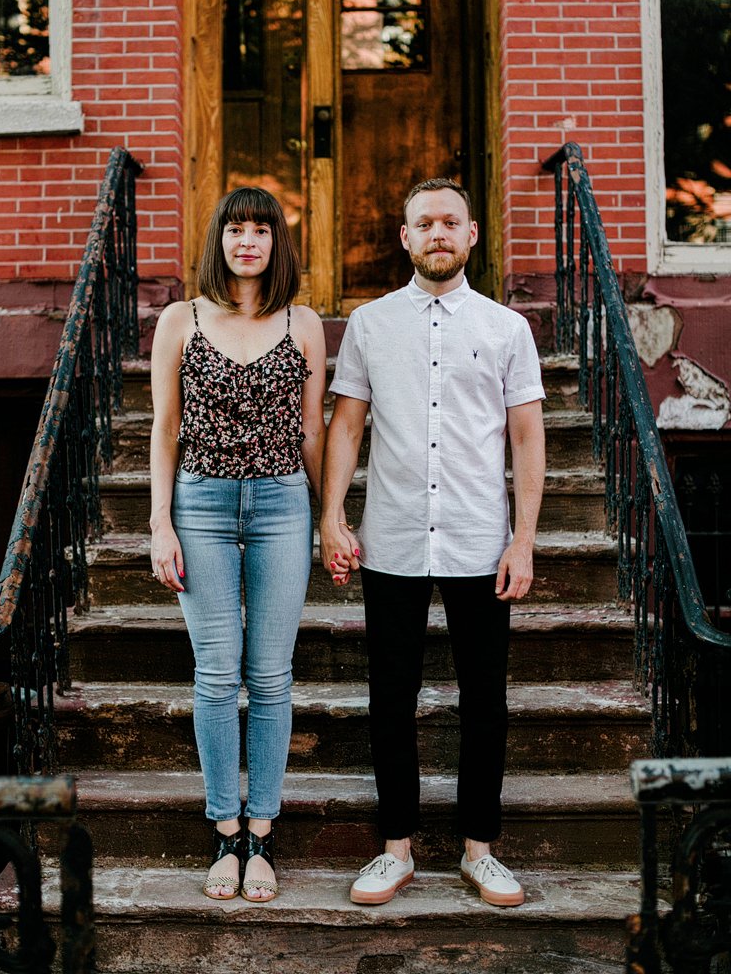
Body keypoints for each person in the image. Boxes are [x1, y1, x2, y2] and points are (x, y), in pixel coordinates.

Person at [320, 178, 545, 909]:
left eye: (451, 221)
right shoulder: (370, 323)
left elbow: (526, 437)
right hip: (390, 537)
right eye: (425, 223)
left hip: (482, 539)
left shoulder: (508, 328)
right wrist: (332, 515)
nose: (439, 233)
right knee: (392, 697)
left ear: (472, 234)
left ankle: (482, 851)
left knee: (486, 699)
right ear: (406, 238)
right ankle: (396, 851)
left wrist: (524, 540)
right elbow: (347, 426)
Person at [149, 186, 326, 903]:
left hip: (284, 502)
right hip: (202, 503)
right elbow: (164, 429)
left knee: (273, 674)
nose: (247, 240)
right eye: (234, 228)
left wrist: (334, 516)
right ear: (218, 240)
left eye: (260, 229)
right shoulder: (180, 320)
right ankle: (226, 833)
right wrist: (160, 523)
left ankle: (263, 833)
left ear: (275, 242)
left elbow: (313, 431)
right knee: (218, 674)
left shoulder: (305, 324)